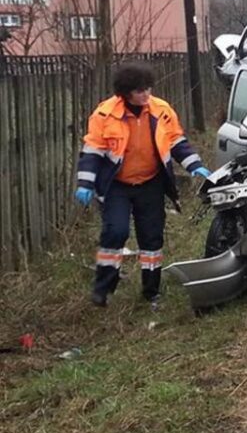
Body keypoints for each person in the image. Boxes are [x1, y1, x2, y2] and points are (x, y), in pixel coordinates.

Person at [74, 62, 210, 307]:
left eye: (148, 88)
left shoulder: (161, 110)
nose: (146, 94)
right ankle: (103, 288)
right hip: (117, 185)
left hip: (150, 182)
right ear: (126, 93)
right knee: (115, 232)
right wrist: (85, 183)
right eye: (140, 90)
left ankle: (151, 291)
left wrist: (194, 164)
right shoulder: (105, 114)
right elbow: (92, 150)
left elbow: (176, 140)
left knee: (151, 239)